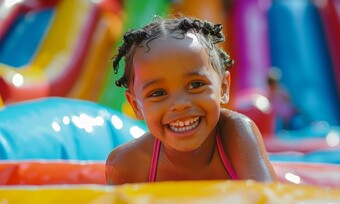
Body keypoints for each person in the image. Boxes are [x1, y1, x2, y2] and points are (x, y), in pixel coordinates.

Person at [105, 15, 277, 184]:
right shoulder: (127, 165)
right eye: (158, 93)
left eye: (195, 85)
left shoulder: (235, 135)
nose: (180, 104)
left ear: (223, 88)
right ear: (135, 105)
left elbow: (266, 201)